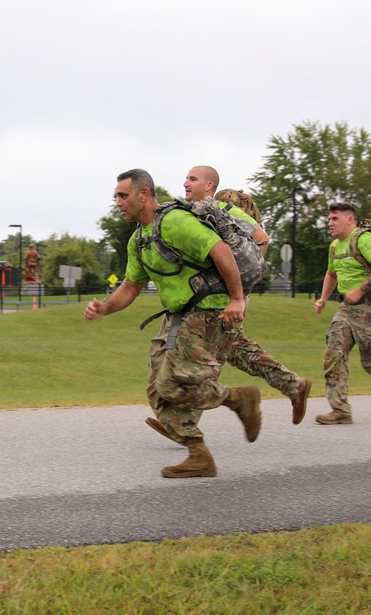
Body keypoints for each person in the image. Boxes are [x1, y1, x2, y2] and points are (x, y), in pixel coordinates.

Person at [85, 168, 262, 479]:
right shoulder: (139, 239)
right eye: (116, 197)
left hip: (209, 311)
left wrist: (237, 299)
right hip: (179, 316)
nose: (118, 202)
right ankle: (199, 453)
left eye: (123, 196)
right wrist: (105, 308)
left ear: (143, 194)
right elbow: (130, 286)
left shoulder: (174, 222)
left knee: (170, 384)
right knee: (157, 391)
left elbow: (220, 251)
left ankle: (237, 398)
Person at [181, 165, 311, 426]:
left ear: (209, 186)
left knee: (210, 356)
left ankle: (184, 420)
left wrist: (239, 287)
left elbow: (262, 241)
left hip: (230, 296)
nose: (185, 183)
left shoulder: (224, 209)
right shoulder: (201, 213)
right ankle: (294, 385)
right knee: (235, 351)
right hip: (219, 297)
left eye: (192, 179)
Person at [313, 202, 371, 424]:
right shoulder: (334, 246)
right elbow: (331, 273)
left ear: (350, 220)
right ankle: (340, 410)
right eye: (329, 218)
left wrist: (360, 290)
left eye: (335, 218)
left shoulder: (364, 239)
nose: (330, 223)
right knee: (333, 352)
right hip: (346, 310)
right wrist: (323, 298)